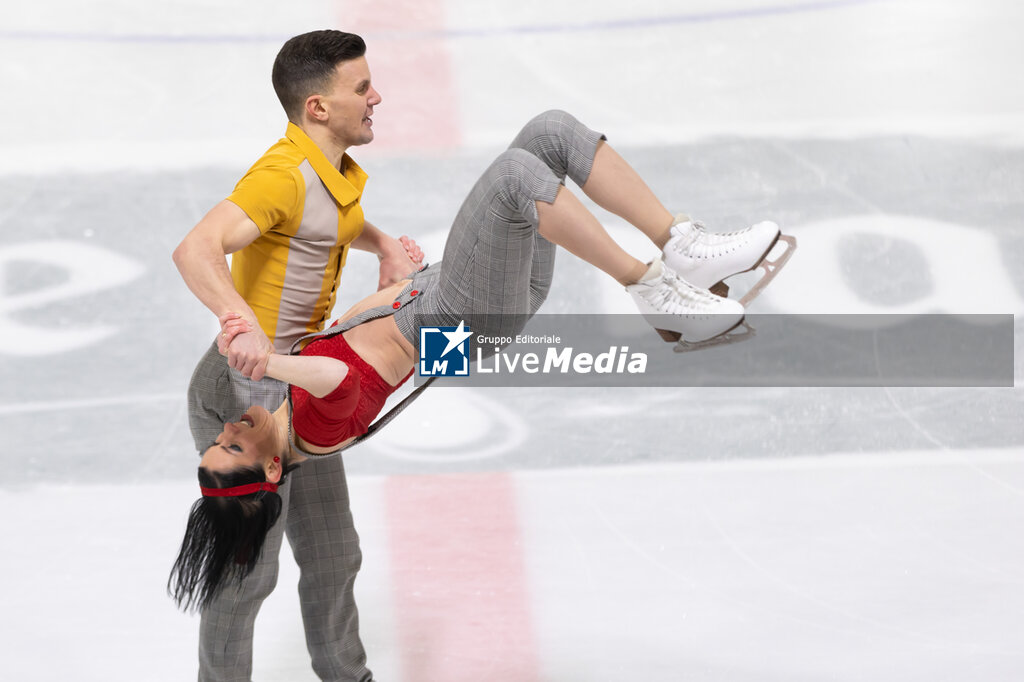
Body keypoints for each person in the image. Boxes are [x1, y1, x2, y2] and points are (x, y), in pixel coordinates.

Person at [169, 109, 784, 623]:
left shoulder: (291, 416)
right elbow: (339, 376)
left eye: (216, 441)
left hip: (456, 313)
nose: (227, 428)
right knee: (517, 174)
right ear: (272, 465)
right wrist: (269, 357)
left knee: (547, 135)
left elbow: (369, 350)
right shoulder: (312, 429)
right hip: (456, 314)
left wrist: (400, 278)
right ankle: (650, 286)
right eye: (231, 445)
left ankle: (682, 244)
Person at [171, 30, 423, 682]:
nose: (376, 96)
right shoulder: (282, 176)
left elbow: (328, 222)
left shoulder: (329, 168)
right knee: (249, 571)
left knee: (335, 553)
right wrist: (239, 321)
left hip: (297, 382)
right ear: (318, 107)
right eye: (361, 88)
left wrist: (382, 245)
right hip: (241, 390)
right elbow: (195, 248)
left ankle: (347, 674)